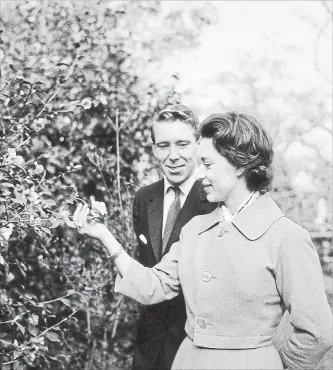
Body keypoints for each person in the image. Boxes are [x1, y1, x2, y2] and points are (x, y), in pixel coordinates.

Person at [63, 112, 332, 370]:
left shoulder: (287, 237)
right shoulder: (195, 229)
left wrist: (272, 365)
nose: (201, 174)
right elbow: (152, 286)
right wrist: (103, 235)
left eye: (208, 164)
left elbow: (316, 332)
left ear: (239, 164)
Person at [129, 104, 216, 370]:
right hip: (148, 346)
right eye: (163, 145)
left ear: (198, 145)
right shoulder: (144, 198)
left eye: (182, 144)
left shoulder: (215, 199)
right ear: (154, 149)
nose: (173, 155)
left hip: (196, 345)